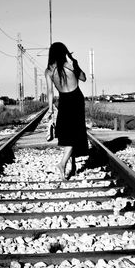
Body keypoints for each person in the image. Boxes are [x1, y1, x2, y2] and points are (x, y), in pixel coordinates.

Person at [45, 41, 88, 180]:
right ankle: (63, 163)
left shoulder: (49, 71)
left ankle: (69, 163)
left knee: (69, 133)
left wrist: (50, 109)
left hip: (63, 101)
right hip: (76, 99)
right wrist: (75, 63)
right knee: (75, 134)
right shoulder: (69, 65)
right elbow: (84, 78)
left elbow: (50, 92)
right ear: (64, 52)